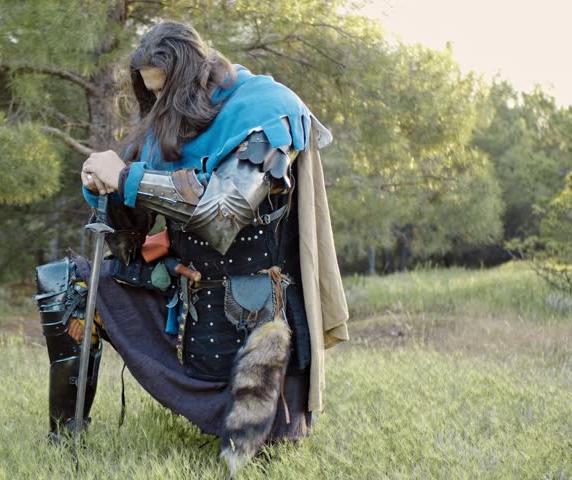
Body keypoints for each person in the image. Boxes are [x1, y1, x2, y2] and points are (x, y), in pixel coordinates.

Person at [35, 21, 349, 476]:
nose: (157, 103)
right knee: (67, 285)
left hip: (252, 329)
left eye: (163, 91)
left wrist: (126, 178)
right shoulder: (175, 117)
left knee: (262, 445)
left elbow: (221, 215)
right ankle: (65, 444)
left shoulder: (265, 113)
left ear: (189, 77)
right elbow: (131, 235)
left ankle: (257, 422)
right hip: (185, 302)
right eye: (151, 93)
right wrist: (103, 186)